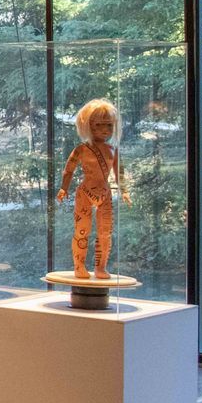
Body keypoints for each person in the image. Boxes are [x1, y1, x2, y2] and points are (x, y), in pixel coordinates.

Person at [57, 98, 129, 280]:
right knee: (82, 231)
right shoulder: (81, 149)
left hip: (105, 194)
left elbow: (119, 173)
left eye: (109, 125)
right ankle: (79, 266)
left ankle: (100, 268)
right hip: (85, 193)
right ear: (87, 125)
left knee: (105, 233)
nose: (105, 130)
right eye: (99, 125)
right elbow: (68, 170)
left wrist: (125, 190)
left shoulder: (113, 150)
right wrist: (63, 188)